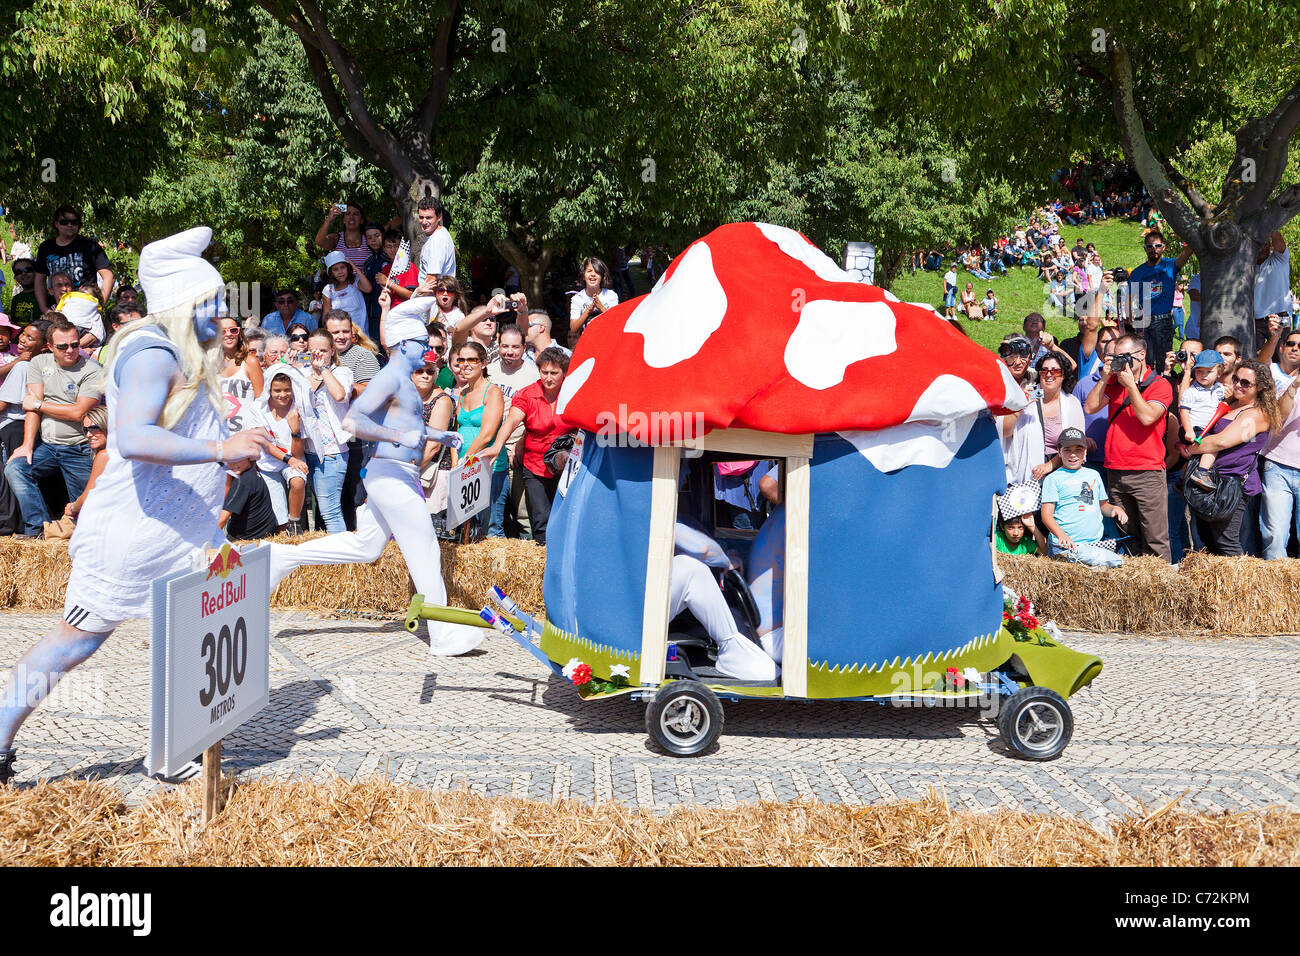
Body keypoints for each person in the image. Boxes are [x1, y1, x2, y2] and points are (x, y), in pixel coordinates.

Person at [0, 226, 274, 784]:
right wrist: (220, 448)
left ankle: (178, 747)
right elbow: (133, 438)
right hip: (135, 528)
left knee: (210, 618)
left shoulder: (181, 352)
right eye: (211, 301)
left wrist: (226, 449)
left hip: (182, 527)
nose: (223, 312)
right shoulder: (152, 353)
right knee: (75, 642)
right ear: (181, 304)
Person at [266, 307, 481, 657]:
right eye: (422, 344)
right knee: (425, 548)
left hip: (395, 476)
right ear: (404, 344)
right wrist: (399, 435)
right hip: (391, 477)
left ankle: (282, 557)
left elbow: (410, 427)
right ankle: (443, 636)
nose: (428, 351)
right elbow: (353, 421)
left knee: (366, 547)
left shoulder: (403, 379)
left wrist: (440, 435)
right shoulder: (391, 376)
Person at [4, 319, 105, 537]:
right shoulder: (39, 363)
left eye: (75, 344)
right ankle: (38, 529)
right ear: (49, 346)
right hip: (47, 446)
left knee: (84, 514)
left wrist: (40, 404)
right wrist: (27, 445)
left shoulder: (92, 370)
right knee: (16, 468)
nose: (70, 350)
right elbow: (32, 408)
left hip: (79, 447)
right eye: (62, 346)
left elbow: (77, 412)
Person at [1176, 359, 1280, 556]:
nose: (1238, 385)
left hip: (1232, 483)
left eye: (1245, 382)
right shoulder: (1232, 404)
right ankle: (1215, 586)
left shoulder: (1258, 414)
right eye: (1236, 379)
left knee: (1226, 542)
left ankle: (1241, 586)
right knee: (1207, 541)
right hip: (1209, 481)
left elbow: (1221, 442)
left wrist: (1190, 450)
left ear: (1260, 387)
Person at [1085, 333, 1173, 560]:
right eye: (1115, 356)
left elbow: (1147, 417)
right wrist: (1105, 378)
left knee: (1154, 538)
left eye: (1124, 356)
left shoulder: (1160, 385)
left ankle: (1161, 589)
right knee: (1128, 536)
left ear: (1141, 355)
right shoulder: (1114, 382)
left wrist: (1131, 387)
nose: (1120, 361)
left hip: (1147, 473)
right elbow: (1090, 407)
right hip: (1115, 470)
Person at [669, 522, 778, 681]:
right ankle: (731, 650)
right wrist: (725, 561)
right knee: (691, 568)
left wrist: (722, 554)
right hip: (638, 615)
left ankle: (735, 643)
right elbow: (702, 549)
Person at [484, 346, 570, 546]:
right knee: (541, 518)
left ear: (564, 373)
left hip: (567, 465)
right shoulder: (528, 394)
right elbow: (512, 420)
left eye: (554, 373)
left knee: (566, 516)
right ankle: (543, 564)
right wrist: (498, 445)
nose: (548, 378)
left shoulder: (572, 392)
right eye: (544, 372)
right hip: (535, 465)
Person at [1040, 428, 1127, 568]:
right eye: (1067, 450)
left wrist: (1115, 509)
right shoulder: (1053, 479)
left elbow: (1103, 506)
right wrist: (1061, 535)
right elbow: (1046, 515)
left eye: (1078, 450)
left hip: (1093, 544)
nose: (1073, 455)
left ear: (1085, 451)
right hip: (1064, 546)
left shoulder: (1094, 475)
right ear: (1059, 451)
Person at [485, 324, 539, 538]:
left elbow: (535, 416)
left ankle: (529, 550)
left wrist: (520, 444)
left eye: (515, 347)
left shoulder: (532, 374)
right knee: (492, 508)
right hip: (490, 444)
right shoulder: (490, 368)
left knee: (521, 510)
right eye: (505, 345)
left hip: (517, 447)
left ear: (524, 347)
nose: (509, 351)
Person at [449, 340, 504, 541]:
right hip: (465, 468)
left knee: (489, 527)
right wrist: (456, 462)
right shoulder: (463, 393)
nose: (465, 364)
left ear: (483, 362)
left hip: (488, 466)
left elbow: (488, 434)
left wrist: (466, 459)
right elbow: (456, 431)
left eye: (471, 359)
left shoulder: (493, 392)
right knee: (467, 529)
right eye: (461, 360)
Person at [254, 366, 310, 535]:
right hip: (268, 463)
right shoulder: (258, 407)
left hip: (292, 456)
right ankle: (284, 532)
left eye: (287, 390)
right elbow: (265, 444)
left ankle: (294, 524)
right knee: (279, 518)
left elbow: (298, 455)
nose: (283, 395)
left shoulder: (298, 408)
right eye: (277, 390)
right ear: (269, 390)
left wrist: (295, 431)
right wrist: (290, 460)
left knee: (298, 482)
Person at [1260, 329, 1300, 559]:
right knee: (1274, 536)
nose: (1295, 348)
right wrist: (1294, 387)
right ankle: (1274, 593)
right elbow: (1277, 421)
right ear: (1282, 348)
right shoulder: (1274, 375)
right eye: (1291, 343)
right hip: (1277, 464)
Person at [1126, 229, 1192, 366]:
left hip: (1162, 320)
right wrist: (1129, 319)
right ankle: (1146, 386)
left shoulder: (1171, 266)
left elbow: (1189, 251)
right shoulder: (1137, 273)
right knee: (1144, 361)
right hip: (1142, 321)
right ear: (1145, 249)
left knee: (1165, 361)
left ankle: (1164, 384)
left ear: (1163, 247)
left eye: (1157, 246)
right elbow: (1129, 298)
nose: (1153, 249)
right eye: (1149, 246)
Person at [33, 206, 114, 311]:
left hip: (85, 308)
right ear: (56, 224)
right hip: (57, 309)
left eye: (74, 222)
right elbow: (39, 279)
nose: (70, 225)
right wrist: (43, 308)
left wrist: (99, 306)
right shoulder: (46, 247)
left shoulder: (89, 245)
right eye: (64, 222)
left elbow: (109, 276)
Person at [1029, 353, 1086, 480]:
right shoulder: (1026, 398)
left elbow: (1077, 444)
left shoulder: (1072, 403)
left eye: (1055, 370)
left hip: (1062, 472)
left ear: (1064, 375)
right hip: (1027, 471)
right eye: (1044, 370)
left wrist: (1048, 466)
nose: (1049, 374)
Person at [216, 316, 264, 434]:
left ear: (239, 333)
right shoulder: (211, 363)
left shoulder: (250, 362)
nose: (228, 334)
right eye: (222, 331)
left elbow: (261, 402)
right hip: (218, 435)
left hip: (246, 434)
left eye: (233, 330)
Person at [62, 405, 109, 522]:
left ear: (107, 426)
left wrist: (73, 508)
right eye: (86, 430)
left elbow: (89, 495)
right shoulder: (123, 451)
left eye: (94, 428)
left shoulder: (104, 455)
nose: (88, 435)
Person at [1253, 232, 1290, 353]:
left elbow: (1279, 242)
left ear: (1270, 247)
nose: (1262, 248)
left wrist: (1269, 224)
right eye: (1258, 245)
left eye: (1266, 245)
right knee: (1256, 361)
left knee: (1280, 357)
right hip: (1254, 321)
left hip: (1279, 319)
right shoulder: (1245, 266)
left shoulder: (1280, 259)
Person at [321, 251, 372, 331]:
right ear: (331, 273)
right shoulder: (328, 290)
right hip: (340, 332)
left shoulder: (354, 282)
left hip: (361, 332)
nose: (340, 272)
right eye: (335, 269)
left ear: (348, 268)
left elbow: (368, 289)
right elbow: (325, 316)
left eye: (343, 267)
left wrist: (354, 267)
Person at [314, 201, 371, 272]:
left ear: (362, 220)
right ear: (343, 220)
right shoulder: (337, 238)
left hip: (365, 282)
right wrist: (329, 218)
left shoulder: (369, 239)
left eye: (355, 214)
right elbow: (319, 241)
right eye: (348, 214)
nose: (351, 217)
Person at [570, 257, 619, 338]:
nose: (593, 274)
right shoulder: (577, 299)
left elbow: (617, 323)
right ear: (583, 275)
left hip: (609, 339)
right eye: (589, 271)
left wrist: (601, 308)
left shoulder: (611, 295)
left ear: (602, 276)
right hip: (587, 341)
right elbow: (573, 329)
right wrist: (589, 309)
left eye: (597, 272)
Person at [417, 196, 456, 284]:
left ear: (439, 217)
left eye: (428, 217)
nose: (424, 222)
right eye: (421, 217)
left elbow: (431, 280)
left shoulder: (437, 241)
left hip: (433, 296)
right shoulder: (439, 234)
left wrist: (415, 295)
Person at [6, 258, 39, 327]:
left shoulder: (47, 296)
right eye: (18, 272)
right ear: (15, 277)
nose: (23, 273)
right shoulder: (16, 299)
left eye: (27, 270)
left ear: (36, 272)